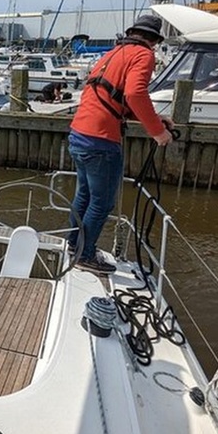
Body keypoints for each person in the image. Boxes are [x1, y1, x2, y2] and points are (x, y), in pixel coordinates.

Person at [67, 14, 174, 275]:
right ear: (154, 40)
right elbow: (135, 93)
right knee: (102, 203)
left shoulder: (113, 53)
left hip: (79, 134)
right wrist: (158, 132)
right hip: (101, 140)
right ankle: (85, 255)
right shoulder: (143, 55)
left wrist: (155, 119)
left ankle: (74, 246)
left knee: (84, 196)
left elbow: (112, 96)